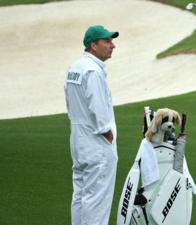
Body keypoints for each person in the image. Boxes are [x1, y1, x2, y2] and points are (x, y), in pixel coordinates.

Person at [64, 25, 119, 225]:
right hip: (97, 143)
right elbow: (97, 106)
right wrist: (107, 133)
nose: (113, 45)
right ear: (93, 45)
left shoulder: (74, 68)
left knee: (80, 194)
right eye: (107, 41)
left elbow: (69, 104)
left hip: (78, 140)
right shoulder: (93, 71)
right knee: (97, 200)